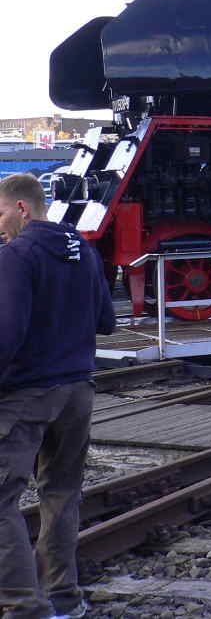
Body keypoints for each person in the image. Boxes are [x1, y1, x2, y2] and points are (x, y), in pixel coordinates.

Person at [0, 173, 114, 619]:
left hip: (28, 394)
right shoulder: (84, 249)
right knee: (62, 493)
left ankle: (25, 607)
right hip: (78, 391)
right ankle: (63, 599)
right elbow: (106, 321)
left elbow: (7, 335)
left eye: (0, 214)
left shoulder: (16, 255)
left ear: (21, 208)